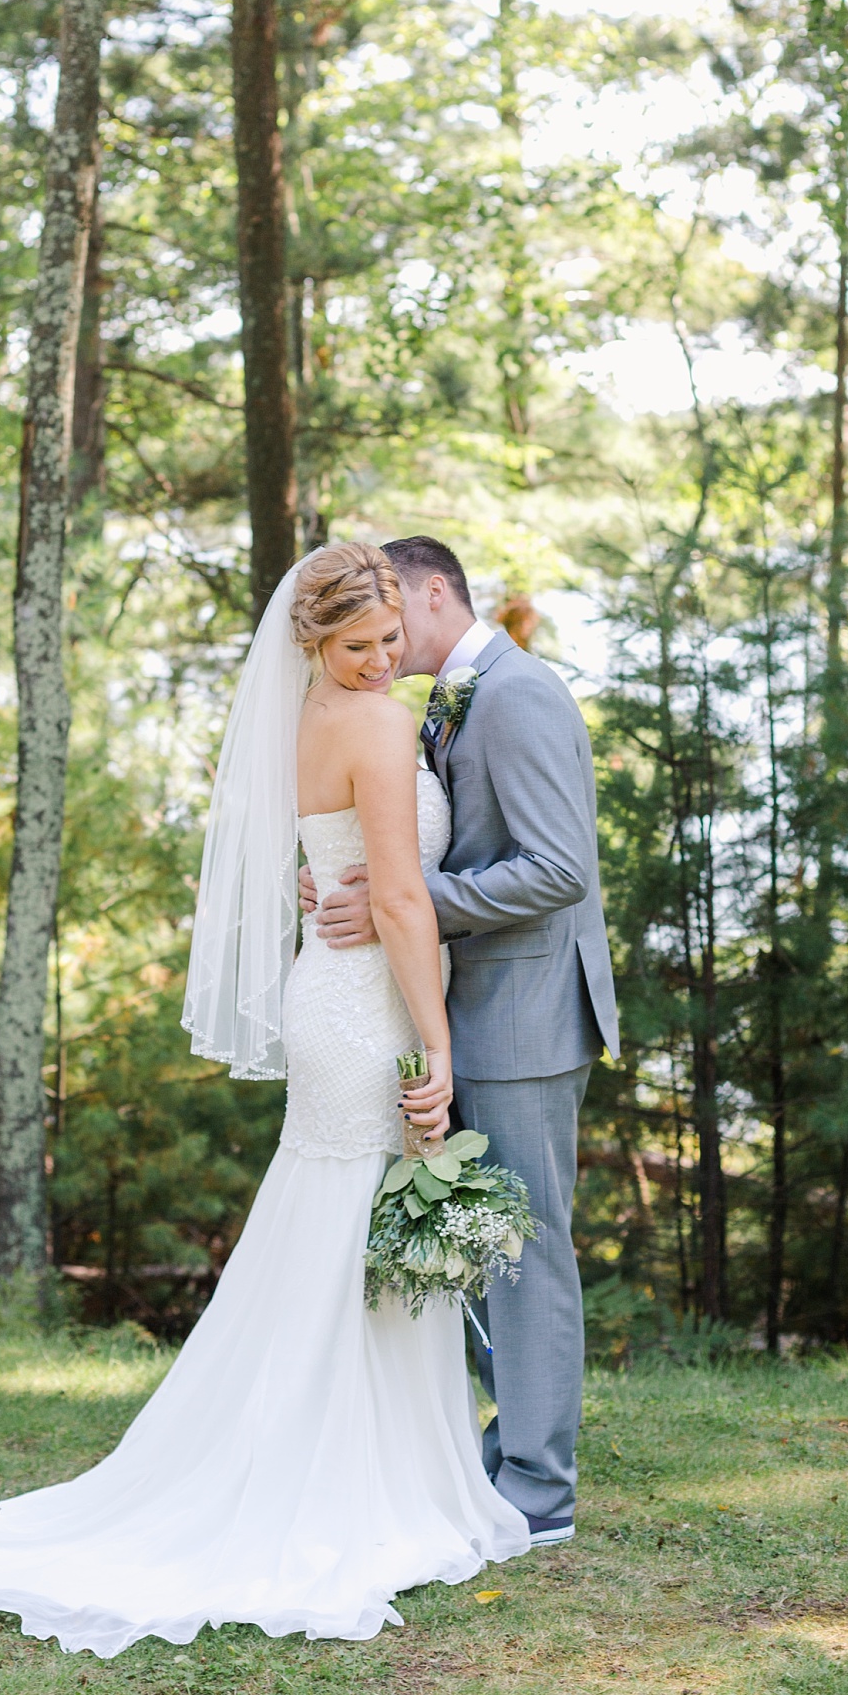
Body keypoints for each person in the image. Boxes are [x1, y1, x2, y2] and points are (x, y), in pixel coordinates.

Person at [0, 542, 529, 1657]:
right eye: (358, 645)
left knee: (339, 1234)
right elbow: (403, 905)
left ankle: (351, 1466)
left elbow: (335, 864)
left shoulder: (311, 719)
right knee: (349, 1235)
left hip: (328, 992)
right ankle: (337, 1487)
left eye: (390, 640)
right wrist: (440, 1049)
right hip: (367, 1009)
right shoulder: (374, 725)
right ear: (312, 641)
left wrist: (343, 905)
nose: (384, 662)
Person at [301, 536, 618, 1546]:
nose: (386, 649)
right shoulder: (450, 699)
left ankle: (540, 1490)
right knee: (478, 1248)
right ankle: (500, 1451)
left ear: (435, 590)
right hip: (460, 1006)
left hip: (524, 1013)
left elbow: (556, 867)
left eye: (396, 616)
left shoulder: (517, 693)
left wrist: (410, 904)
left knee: (526, 1253)